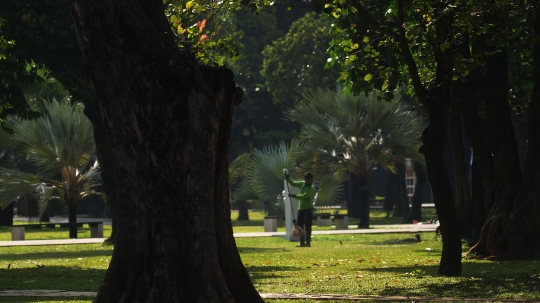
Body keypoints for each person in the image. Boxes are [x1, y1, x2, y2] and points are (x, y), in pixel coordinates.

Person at [285, 171, 315, 247]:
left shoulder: (311, 188)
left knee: (307, 226)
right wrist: (287, 176)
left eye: (309, 180)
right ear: (305, 179)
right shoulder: (302, 184)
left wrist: (294, 196)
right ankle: (302, 243)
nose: (308, 182)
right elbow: (293, 183)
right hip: (301, 209)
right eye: (307, 180)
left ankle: (308, 243)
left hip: (308, 209)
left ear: (312, 180)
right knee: (300, 226)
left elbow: (304, 196)